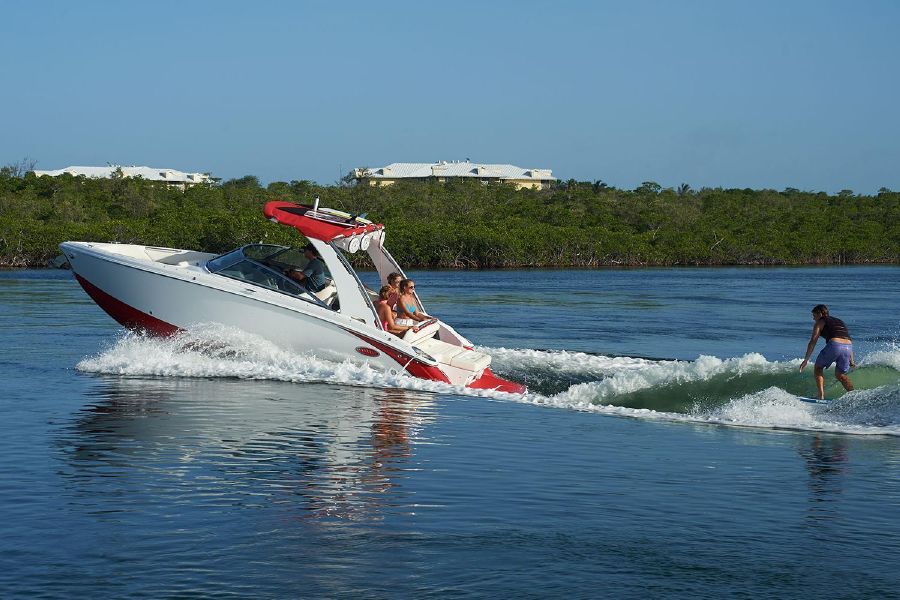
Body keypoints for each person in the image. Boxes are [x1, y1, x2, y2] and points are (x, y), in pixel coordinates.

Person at [799, 304, 855, 400]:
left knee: (818, 367)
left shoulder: (821, 321)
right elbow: (846, 339)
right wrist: (851, 360)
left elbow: (813, 341)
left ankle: (820, 395)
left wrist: (806, 360)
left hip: (835, 345)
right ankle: (854, 395)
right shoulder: (839, 321)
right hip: (848, 347)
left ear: (820, 314)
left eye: (814, 316)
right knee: (840, 374)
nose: (813, 319)